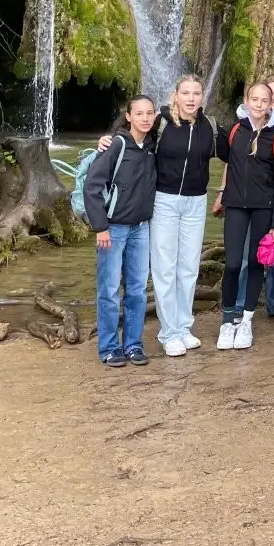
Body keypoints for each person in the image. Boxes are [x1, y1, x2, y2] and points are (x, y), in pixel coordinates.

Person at [98, 74, 216, 358]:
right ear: (175, 95)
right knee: (165, 267)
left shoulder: (209, 125)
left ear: (202, 96)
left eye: (196, 93)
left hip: (196, 202)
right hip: (164, 201)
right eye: (185, 93)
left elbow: (234, 150)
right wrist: (108, 137)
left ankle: (184, 326)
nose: (190, 98)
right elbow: (133, 130)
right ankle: (168, 332)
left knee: (188, 268)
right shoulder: (161, 121)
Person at [84, 95, 159, 367]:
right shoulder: (116, 145)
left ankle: (133, 344)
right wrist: (100, 227)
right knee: (109, 289)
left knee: (138, 289)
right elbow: (91, 186)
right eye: (139, 113)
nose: (146, 118)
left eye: (150, 113)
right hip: (113, 229)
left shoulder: (151, 146)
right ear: (128, 116)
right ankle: (108, 347)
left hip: (141, 228)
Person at [214, 81, 274, 351]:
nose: (258, 105)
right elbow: (212, 149)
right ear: (247, 101)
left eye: (263, 100)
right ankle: (227, 319)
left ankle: (246, 320)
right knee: (233, 263)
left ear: (271, 104)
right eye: (254, 99)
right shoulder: (235, 131)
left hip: (263, 208)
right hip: (235, 206)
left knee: (256, 263)